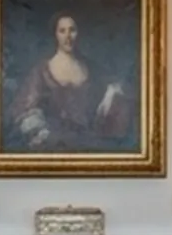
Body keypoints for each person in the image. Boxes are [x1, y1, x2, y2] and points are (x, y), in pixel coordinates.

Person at [7, 13, 135, 151]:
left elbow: (108, 110)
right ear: (55, 34)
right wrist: (41, 132)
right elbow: (22, 109)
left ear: (78, 33)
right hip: (54, 147)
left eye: (72, 30)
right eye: (62, 31)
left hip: (90, 145)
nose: (68, 36)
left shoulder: (92, 69)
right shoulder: (42, 70)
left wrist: (112, 96)